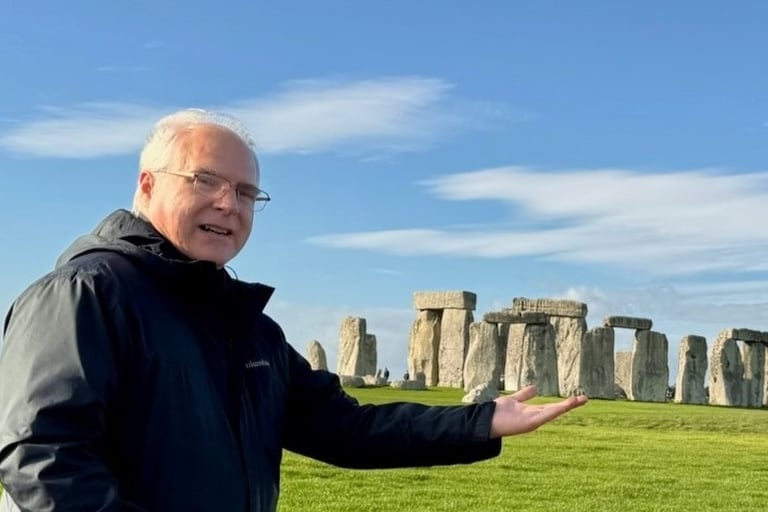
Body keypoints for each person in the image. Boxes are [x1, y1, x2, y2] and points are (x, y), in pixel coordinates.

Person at [0, 109, 587, 512]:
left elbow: (346, 427)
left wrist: (481, 420)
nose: (229, 204)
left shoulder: (247, 327)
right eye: (205, 180)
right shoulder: (87, 294)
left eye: (247, 192)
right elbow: (41, 456)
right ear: (148, 184)